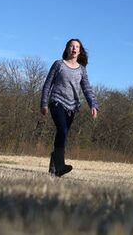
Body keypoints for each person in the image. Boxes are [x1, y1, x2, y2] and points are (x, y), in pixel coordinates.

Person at [40, 38, 99, 177]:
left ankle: (54, 169)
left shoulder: (82, 70)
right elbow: (47, 84)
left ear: (79, 51)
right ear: (67, 49)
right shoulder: (58, 64)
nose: (74, 48)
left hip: (72, 106)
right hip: (57, 101)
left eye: (77, 46)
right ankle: (60, 165)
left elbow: (87, 89)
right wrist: (43, 103)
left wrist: (93, 105)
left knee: (63, 135)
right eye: (71, 46)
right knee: (62, 129)